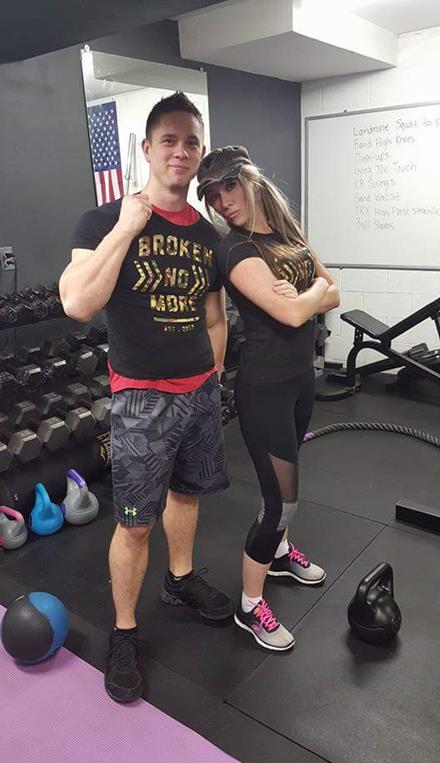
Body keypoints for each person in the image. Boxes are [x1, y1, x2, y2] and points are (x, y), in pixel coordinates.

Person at [59, 93, 235, 703]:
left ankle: (180, 579)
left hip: (199, 393)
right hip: (141, 400)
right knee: (134, 525)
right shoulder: (101, 221)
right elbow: (78, 303)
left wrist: (212, 375)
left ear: (200, 152)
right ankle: (125, 631)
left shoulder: (209, 236)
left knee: (187, 494)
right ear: (147, 149)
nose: (180, 151)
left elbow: (215, 316)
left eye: (191, 142)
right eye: (169, 140)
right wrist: (128, 228)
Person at [197, 146, 340, 651]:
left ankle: (279, 555)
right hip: (265, 391)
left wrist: (309, 295)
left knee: (280, 490)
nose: (222, 201)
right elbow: (295, 313)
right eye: (212, 195)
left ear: (250, 180)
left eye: (228, 187)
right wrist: (311, 296)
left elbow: (334, 290)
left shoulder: (284, 234)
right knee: (282, 503)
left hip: (301, 383)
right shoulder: (234, 250)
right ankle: (250, 604)